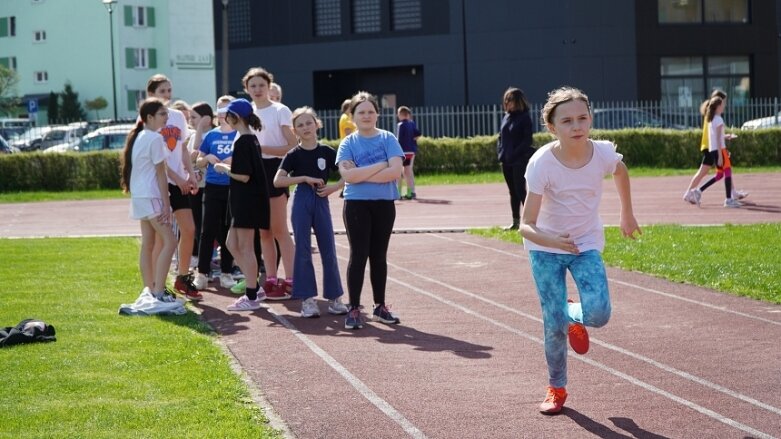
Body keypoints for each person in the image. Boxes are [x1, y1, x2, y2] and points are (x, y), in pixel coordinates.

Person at [519, 87, 641, 414]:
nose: (577, 126)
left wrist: (626, 213)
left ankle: (575, 313)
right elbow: (525, 224)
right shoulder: (541, 163)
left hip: (585, 244)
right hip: (545, 249)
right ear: (552, 127)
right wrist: (552, 241)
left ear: (591, 120)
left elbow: (620, 170)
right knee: (552, 322)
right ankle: (556, 388)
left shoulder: (601, 153)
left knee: (599, 313)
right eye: (567, 121)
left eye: (583, 118)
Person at [336, 91, 404, 330]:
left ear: (377, 113)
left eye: (370, 111)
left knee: (379, 256)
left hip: (384, 205)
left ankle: (380, 307)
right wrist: (380, 165)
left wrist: (362, 173)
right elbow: (348, 176)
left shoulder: (388, 139)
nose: (366, 115)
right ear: (352, 116)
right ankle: (354, 308)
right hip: (356, 206)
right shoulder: (348, 143)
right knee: (358, 255)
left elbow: (396, 172)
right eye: (361, 112)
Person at [274, 107, 349, 318]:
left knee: (328, 247)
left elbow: (349, 173)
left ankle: (335, 298)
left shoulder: (327, 151)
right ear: (294, 131)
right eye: (300, 125)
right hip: (302, 200)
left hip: (321, 199)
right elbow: (278, 180)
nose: (305, 128)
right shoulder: (293, 155)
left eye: (309, 123)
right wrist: (303, 178)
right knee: (303, 249)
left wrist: (334, 187)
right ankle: (307, 300)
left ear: (317, 124)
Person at [145, 74, 202, 301]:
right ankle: (155, 286)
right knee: (162, 238)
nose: (167, 95)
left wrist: (190, 174)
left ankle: (183, 278)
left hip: (179, 181)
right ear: (152, 94)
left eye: (169, 90)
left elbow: (183, 149)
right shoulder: (150, 120)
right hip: (160, 183)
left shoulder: (178, 116)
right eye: (162, 91)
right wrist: (177, 177)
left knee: (189, 230)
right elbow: (158, 158)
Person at [243, 67, 297, 300]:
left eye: (261, 85)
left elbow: (291, 145)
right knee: (263, 232)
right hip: (254, 173)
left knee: (279, 229)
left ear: (269, 86)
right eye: (252, 86)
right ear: (247, 89)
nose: (257, 89)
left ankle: (293, 279)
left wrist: (262, 149)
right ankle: (272, 278)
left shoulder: (280, 110)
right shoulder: (245, 112)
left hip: (275, 170)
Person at [213, 99, 271, 311]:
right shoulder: (248, 139)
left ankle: (251, 295)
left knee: (245, 247)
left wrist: (223, 168)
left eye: (227, 114)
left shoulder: (244, 141)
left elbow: (244, 176)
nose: (224, 118)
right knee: (231, 244)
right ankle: (254, 286)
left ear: (234, 117)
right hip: (242, 200)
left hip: (248, 200)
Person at [119, 98, 178, 303]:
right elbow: (161, 174)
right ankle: (158, 292)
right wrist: (167, 204)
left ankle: (150, 289)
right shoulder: (153, 138)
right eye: (162, 114)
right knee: (170, 241)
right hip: (150, 195)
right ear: (149, 117)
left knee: (149, 243)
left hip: (141, 196)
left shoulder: (142, 136)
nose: (166, 117)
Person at [191, 97, 240, 290]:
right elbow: (199, 161)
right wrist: (207, 158)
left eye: (225, 114)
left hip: (232, 187)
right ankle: (202, 274)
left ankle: (226, 272)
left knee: (228, 230)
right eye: (219, 114)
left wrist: (233, 160)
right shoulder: (211, 135)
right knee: (206, 230)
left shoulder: (239, 135)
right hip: (212, 187)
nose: (222, 117)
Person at [692, 96, 743, 208]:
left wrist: (726, 136)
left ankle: (698, 191)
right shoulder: (719, 119)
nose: (724, 106)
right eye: (722, 105)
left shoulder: (711, 119)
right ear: (718, 106)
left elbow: (716, 137)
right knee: (728, 171)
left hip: (714, 149)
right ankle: (728, 200)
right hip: (720, 150)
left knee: (720, 175)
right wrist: (720, 155)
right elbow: (718, 139)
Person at [497, 87, 535, 231]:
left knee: (521, 190)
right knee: (512, 192)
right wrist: (500, 153)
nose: (507, 102)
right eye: (506, 99)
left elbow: (527, 140)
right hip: (506, 161)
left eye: (510, 99)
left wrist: (515, 153)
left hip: (519, 160)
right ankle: (515, 221)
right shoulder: (506, 117)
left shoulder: (524, 118)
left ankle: (531, 221)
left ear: (518, 101)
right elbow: (500, 137)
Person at [683, 90, 727, 205]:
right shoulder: (714, 115)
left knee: (706, 172)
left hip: (710, 146)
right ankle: (689, 193)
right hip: (710, 146)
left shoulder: (711, 113)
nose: (724, 105)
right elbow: (714, 134)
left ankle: (691, 192)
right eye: (723, 102)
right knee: (704, 172)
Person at [396, 106, 421, 200]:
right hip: (411, 151)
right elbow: (418, 135)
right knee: (408, 171)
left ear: (401, 114)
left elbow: (399, 140)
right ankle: (411, 192)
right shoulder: (412, 124)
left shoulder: (400, 125)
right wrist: (412, 141)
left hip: (403, 152)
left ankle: (398, 193)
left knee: (399, 172)